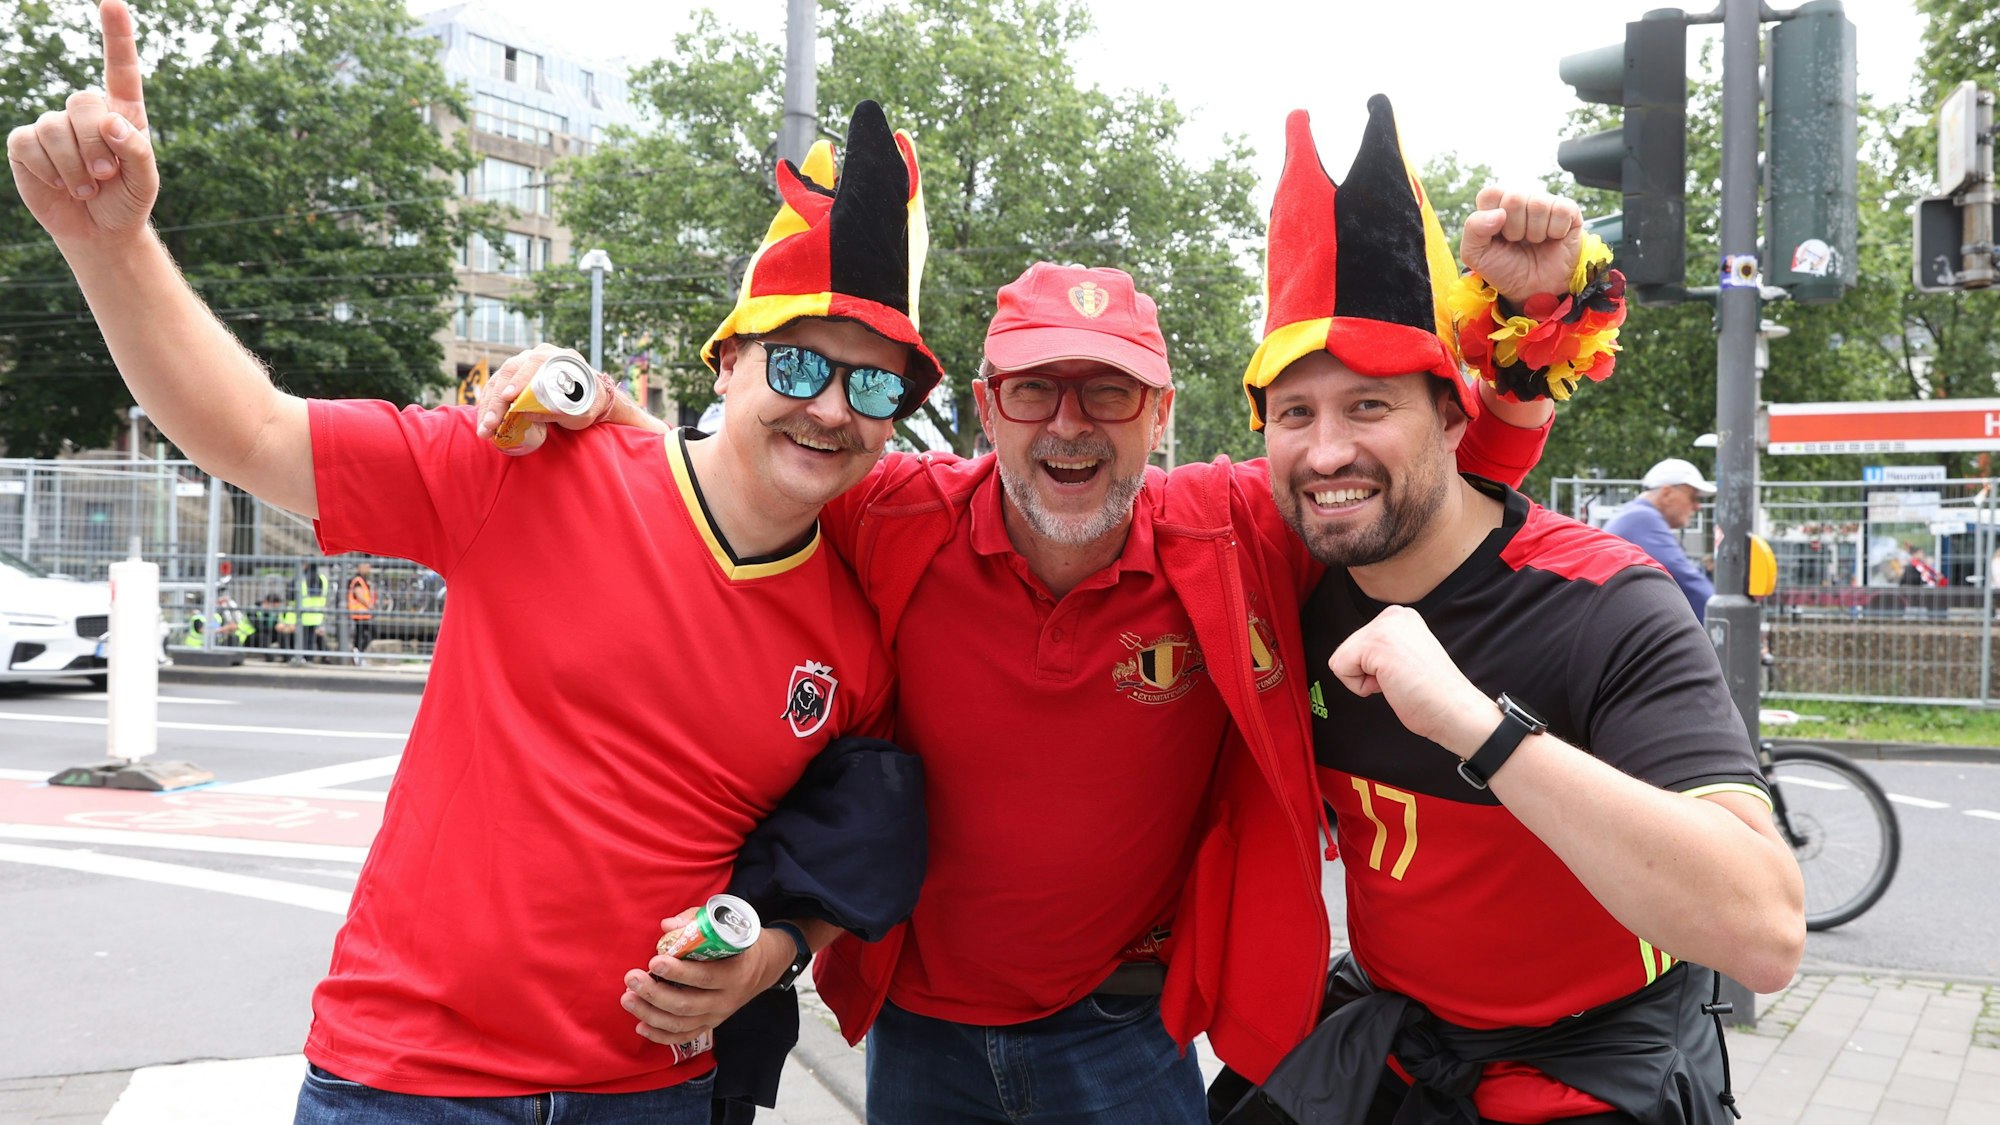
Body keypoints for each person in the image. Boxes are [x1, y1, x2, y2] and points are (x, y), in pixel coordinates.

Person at [490, 97, 1605, 1122]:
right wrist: (593, 409)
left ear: (1159, 414)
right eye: (1034, 390)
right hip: (918, 1033)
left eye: (1107, 391)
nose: (1069, 425)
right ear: (987, 408)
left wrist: (1539, 320)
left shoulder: (1232, 529)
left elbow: (1430, 492)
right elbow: (746, 466)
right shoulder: (892, 513)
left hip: (1125, 1033)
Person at [8, 8, 933, 1118]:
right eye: (798, 363)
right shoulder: (527, 468)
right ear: (728, 360)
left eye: (873, 384)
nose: (830, 407)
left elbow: (841, 847)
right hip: (409, 1084)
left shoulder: (853, 637)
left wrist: (770, 954)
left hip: (653, 1094)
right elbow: (253, 433)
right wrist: (109, 248)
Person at [1211, 103, 1805, 1124]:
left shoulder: (1605, 602)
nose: (1325, 451)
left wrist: (1478, 730)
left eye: (1367, 405)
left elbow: (1763, 933)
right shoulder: (1290, 578)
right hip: (1391, 1055)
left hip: (1584, 1076)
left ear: (1452, 416)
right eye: (1294, 413)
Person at [1602, 457, 1717, 621]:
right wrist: (1724, 617)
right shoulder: (1643, 518)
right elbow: (1685, 581)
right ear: (1667, 493)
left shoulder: (1635, 514)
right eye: (1692, 497)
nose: (1697, 506)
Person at [345, 560, 376, 656]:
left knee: (362, 634)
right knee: (367, 633)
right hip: (359, 612)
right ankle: (358, 652)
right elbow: (358, 594)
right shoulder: (358, 580)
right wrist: (369, 605)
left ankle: (358, 652)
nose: (369, 569)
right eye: (367, 567)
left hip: (364, 613)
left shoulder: (363, 580)